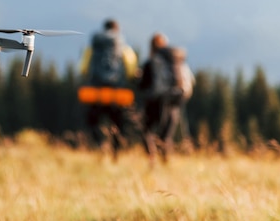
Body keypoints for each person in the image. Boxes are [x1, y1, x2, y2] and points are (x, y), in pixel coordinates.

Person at [78, 19, 138, 159]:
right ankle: (116, 152)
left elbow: (83, 68)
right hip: (117, 92)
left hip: (96, 92)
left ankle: (100, 145)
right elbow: (131, 70)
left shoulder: (93, 46)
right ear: (118, 30)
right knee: (118, 123)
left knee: (94, 121)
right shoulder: (123, 47)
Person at [138, 33, 194, 165]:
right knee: (166, 134)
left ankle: (151, 158)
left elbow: (143, 85)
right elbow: (190, 79)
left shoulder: (152, 62)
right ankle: (166, 161)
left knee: (146, 129)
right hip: (177, 99)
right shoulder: (177, 59)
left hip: (158, 100)